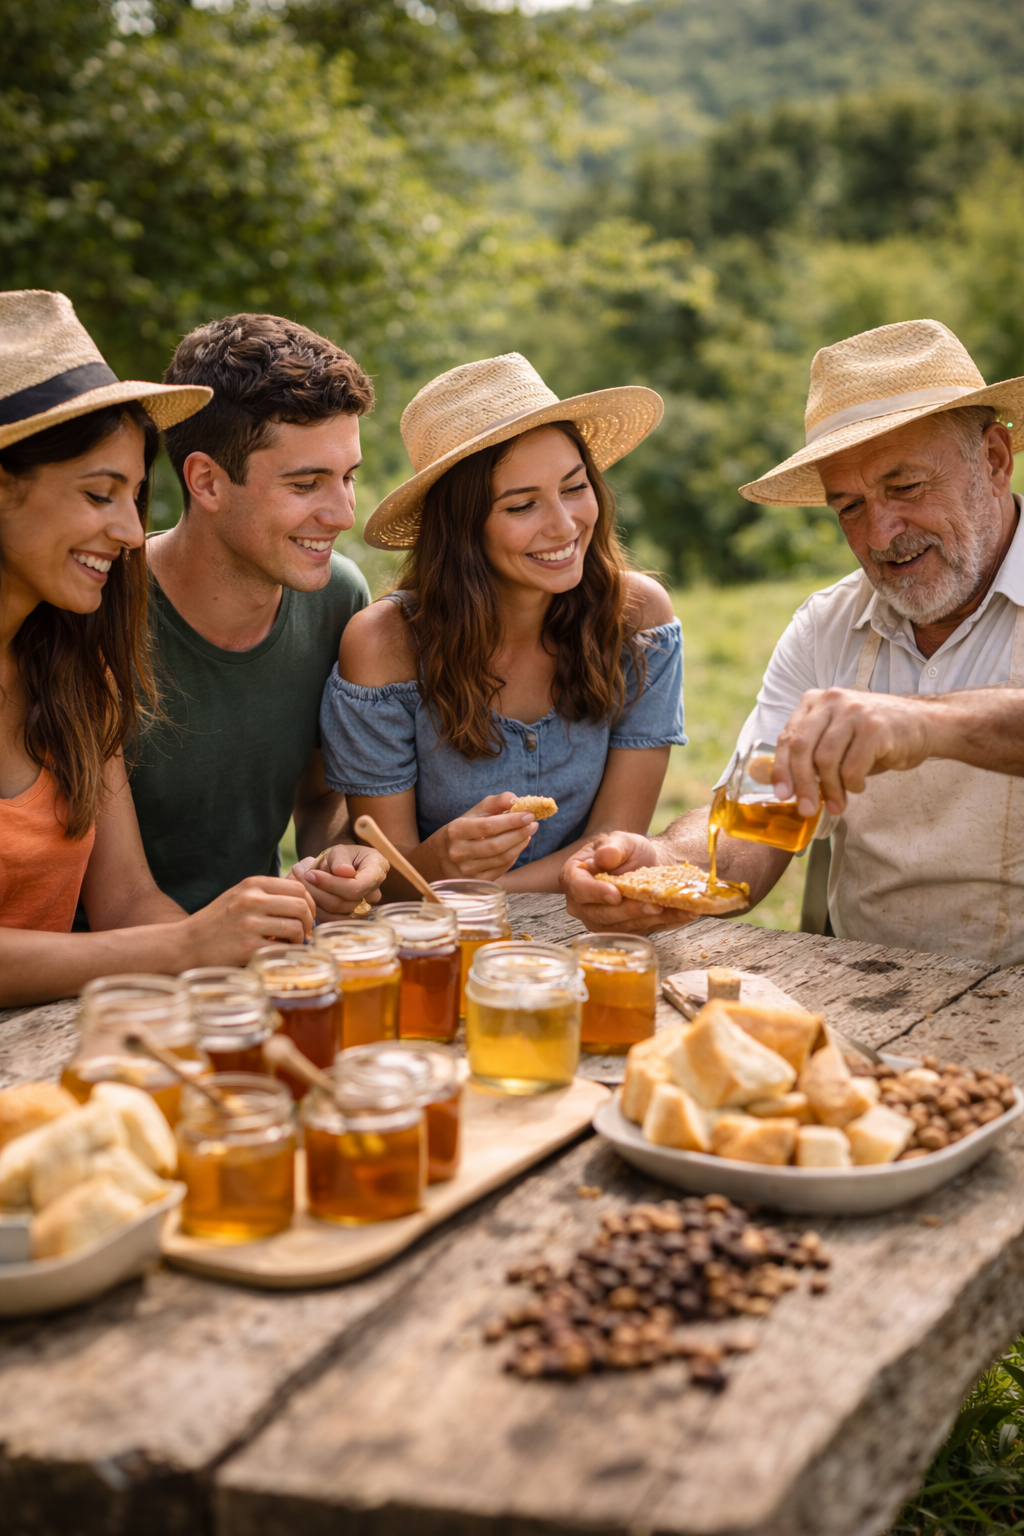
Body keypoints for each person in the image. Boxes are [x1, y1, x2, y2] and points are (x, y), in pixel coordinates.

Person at [563, 318, 1024, 965]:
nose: (883, 532)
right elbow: (759, 817)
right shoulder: (827, 625)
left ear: (996, 460)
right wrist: (664, 864)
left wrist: (925, 723)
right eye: (850, 507)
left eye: (906, 487)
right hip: (873, 986)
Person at [0, 290, 317, 1007]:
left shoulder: (78, 669)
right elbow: (159, 939)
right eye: (98, 494)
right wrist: (183, 944)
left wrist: (222, 991)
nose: (132, 532)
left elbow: (129, 899)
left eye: (135, 498)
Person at [319, 352, 685, 894]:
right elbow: (387, 885)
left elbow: (615, 837)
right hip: (438, 947)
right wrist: (438, 859)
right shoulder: (385, 645)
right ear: (462, 529)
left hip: (587, 928)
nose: (564, 525)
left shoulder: (637, 619)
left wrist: (481, 892)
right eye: (521, 506)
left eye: (574, 487)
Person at [131, 312, 388, 921]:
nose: (343, 514)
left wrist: (338, 861)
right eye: (306, 485)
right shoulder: (98, 607)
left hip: (262, 949)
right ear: (206, 482)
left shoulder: (337, 599)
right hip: (102, 972)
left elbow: (323, 799)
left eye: (347, 478)